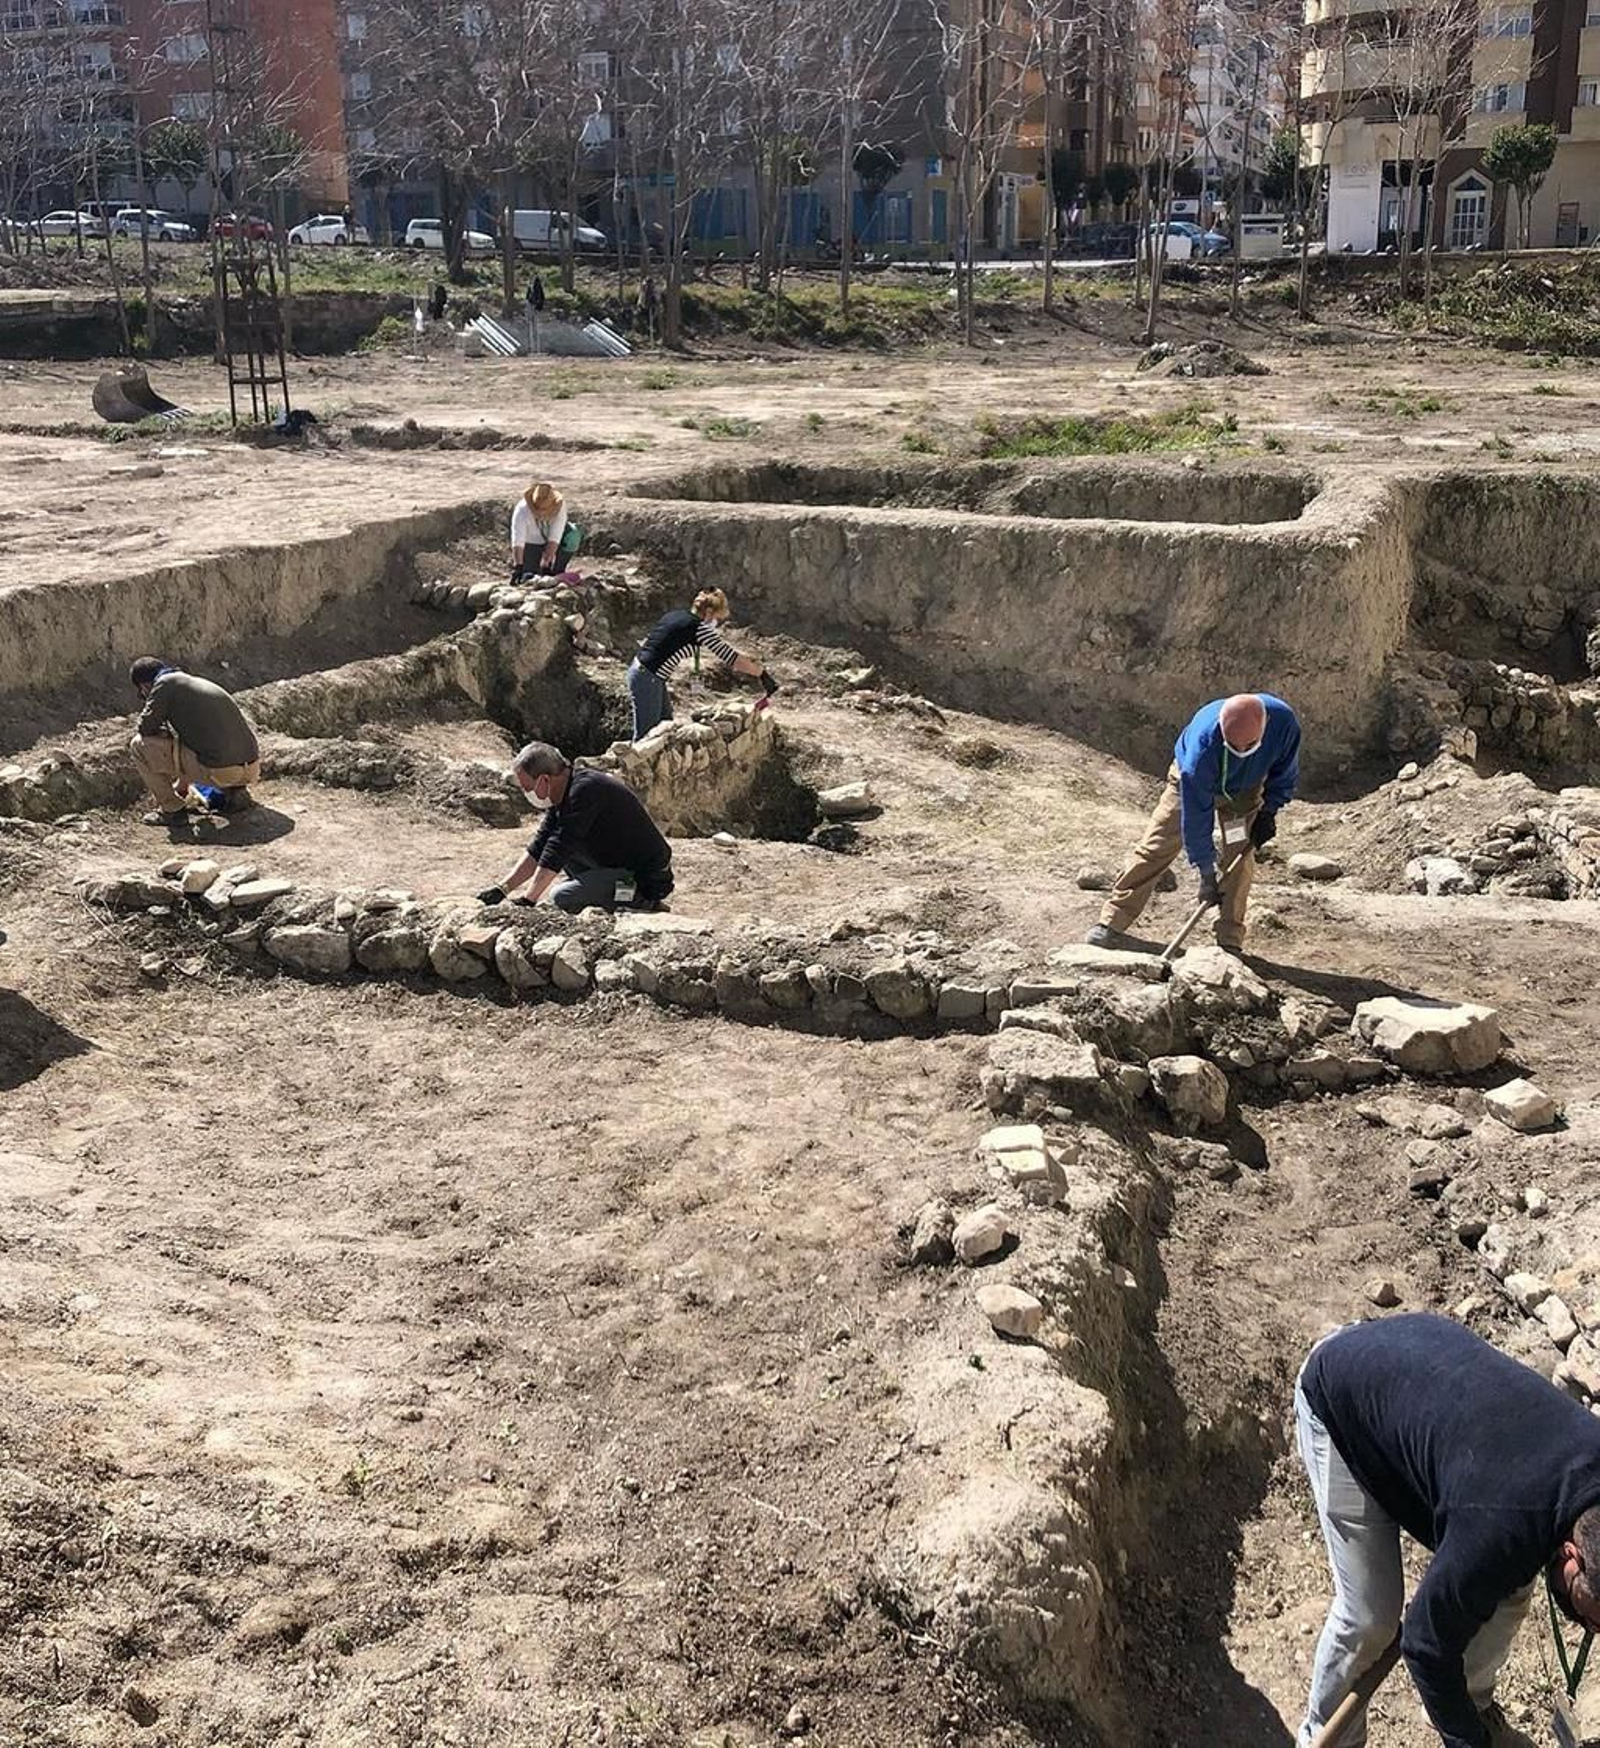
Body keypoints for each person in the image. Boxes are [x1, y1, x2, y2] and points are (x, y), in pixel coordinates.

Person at [1295, 1313, 1600, 1748]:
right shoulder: (1501, 1525)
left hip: (1429, 1372)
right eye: (1590, 1616)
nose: (1590, 1628)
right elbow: (1423, 1644)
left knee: (1505, 1588)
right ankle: (1323, 1739)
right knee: (1371, 1615)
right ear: (1572, 1555)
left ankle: (1470, 1707)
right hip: (1343, 1396)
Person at [1086, 691, 1300, 954]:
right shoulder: (1202, 747)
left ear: (1264, 728)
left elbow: (1284, 770)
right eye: (1234, 746)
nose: (1242, 751)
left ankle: (1229, 940)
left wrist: (1269, 811)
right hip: (1191, 786)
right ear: (1222, 730)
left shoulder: (1283, 723)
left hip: (1242, 794)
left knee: (1239, 856)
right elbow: (1196, 816)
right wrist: (1206, 873)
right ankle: (1112, 920)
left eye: (1249, 746)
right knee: (1158, 844)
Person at [476, 741, 674, 914]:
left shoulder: (585, 791)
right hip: (615, 865)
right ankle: (607, 892)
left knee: (561, 897)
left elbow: (559, 846)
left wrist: (529, 900)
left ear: (544, 780)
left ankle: (641, 902)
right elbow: (540, 847)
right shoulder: (563, 794)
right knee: (559, 858)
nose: (526, 793)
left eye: (527, 787)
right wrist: (503, 889)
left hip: (645, 877)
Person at [627, 588, 776, 742]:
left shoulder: (677, 615)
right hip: (648, 677)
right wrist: (761, 673)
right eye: (717, 617)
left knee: (665, 728)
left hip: (648, 674)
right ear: (709, 612)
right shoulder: (699, 629)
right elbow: (733, 659)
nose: (716, 622)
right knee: (646, 738)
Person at [128, 656, 261, 826]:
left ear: (144, 686)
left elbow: (145, 728)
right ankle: (235, 791)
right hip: (251, 768)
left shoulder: (163, 685)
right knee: (193, 741)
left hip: (222, 771)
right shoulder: (188, 682)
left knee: (138, 745)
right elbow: (190, 740)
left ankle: (172, 810)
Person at [510, 480, 581, 580]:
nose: (542, 514)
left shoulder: (559, 505)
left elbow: (555, 537)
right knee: (528, 576)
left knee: (573, 535)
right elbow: (518, 541)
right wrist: (518, 566)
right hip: (531, 543)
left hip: (550, 541)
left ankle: (557, 570)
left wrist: (546, 562)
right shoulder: (522, 510)